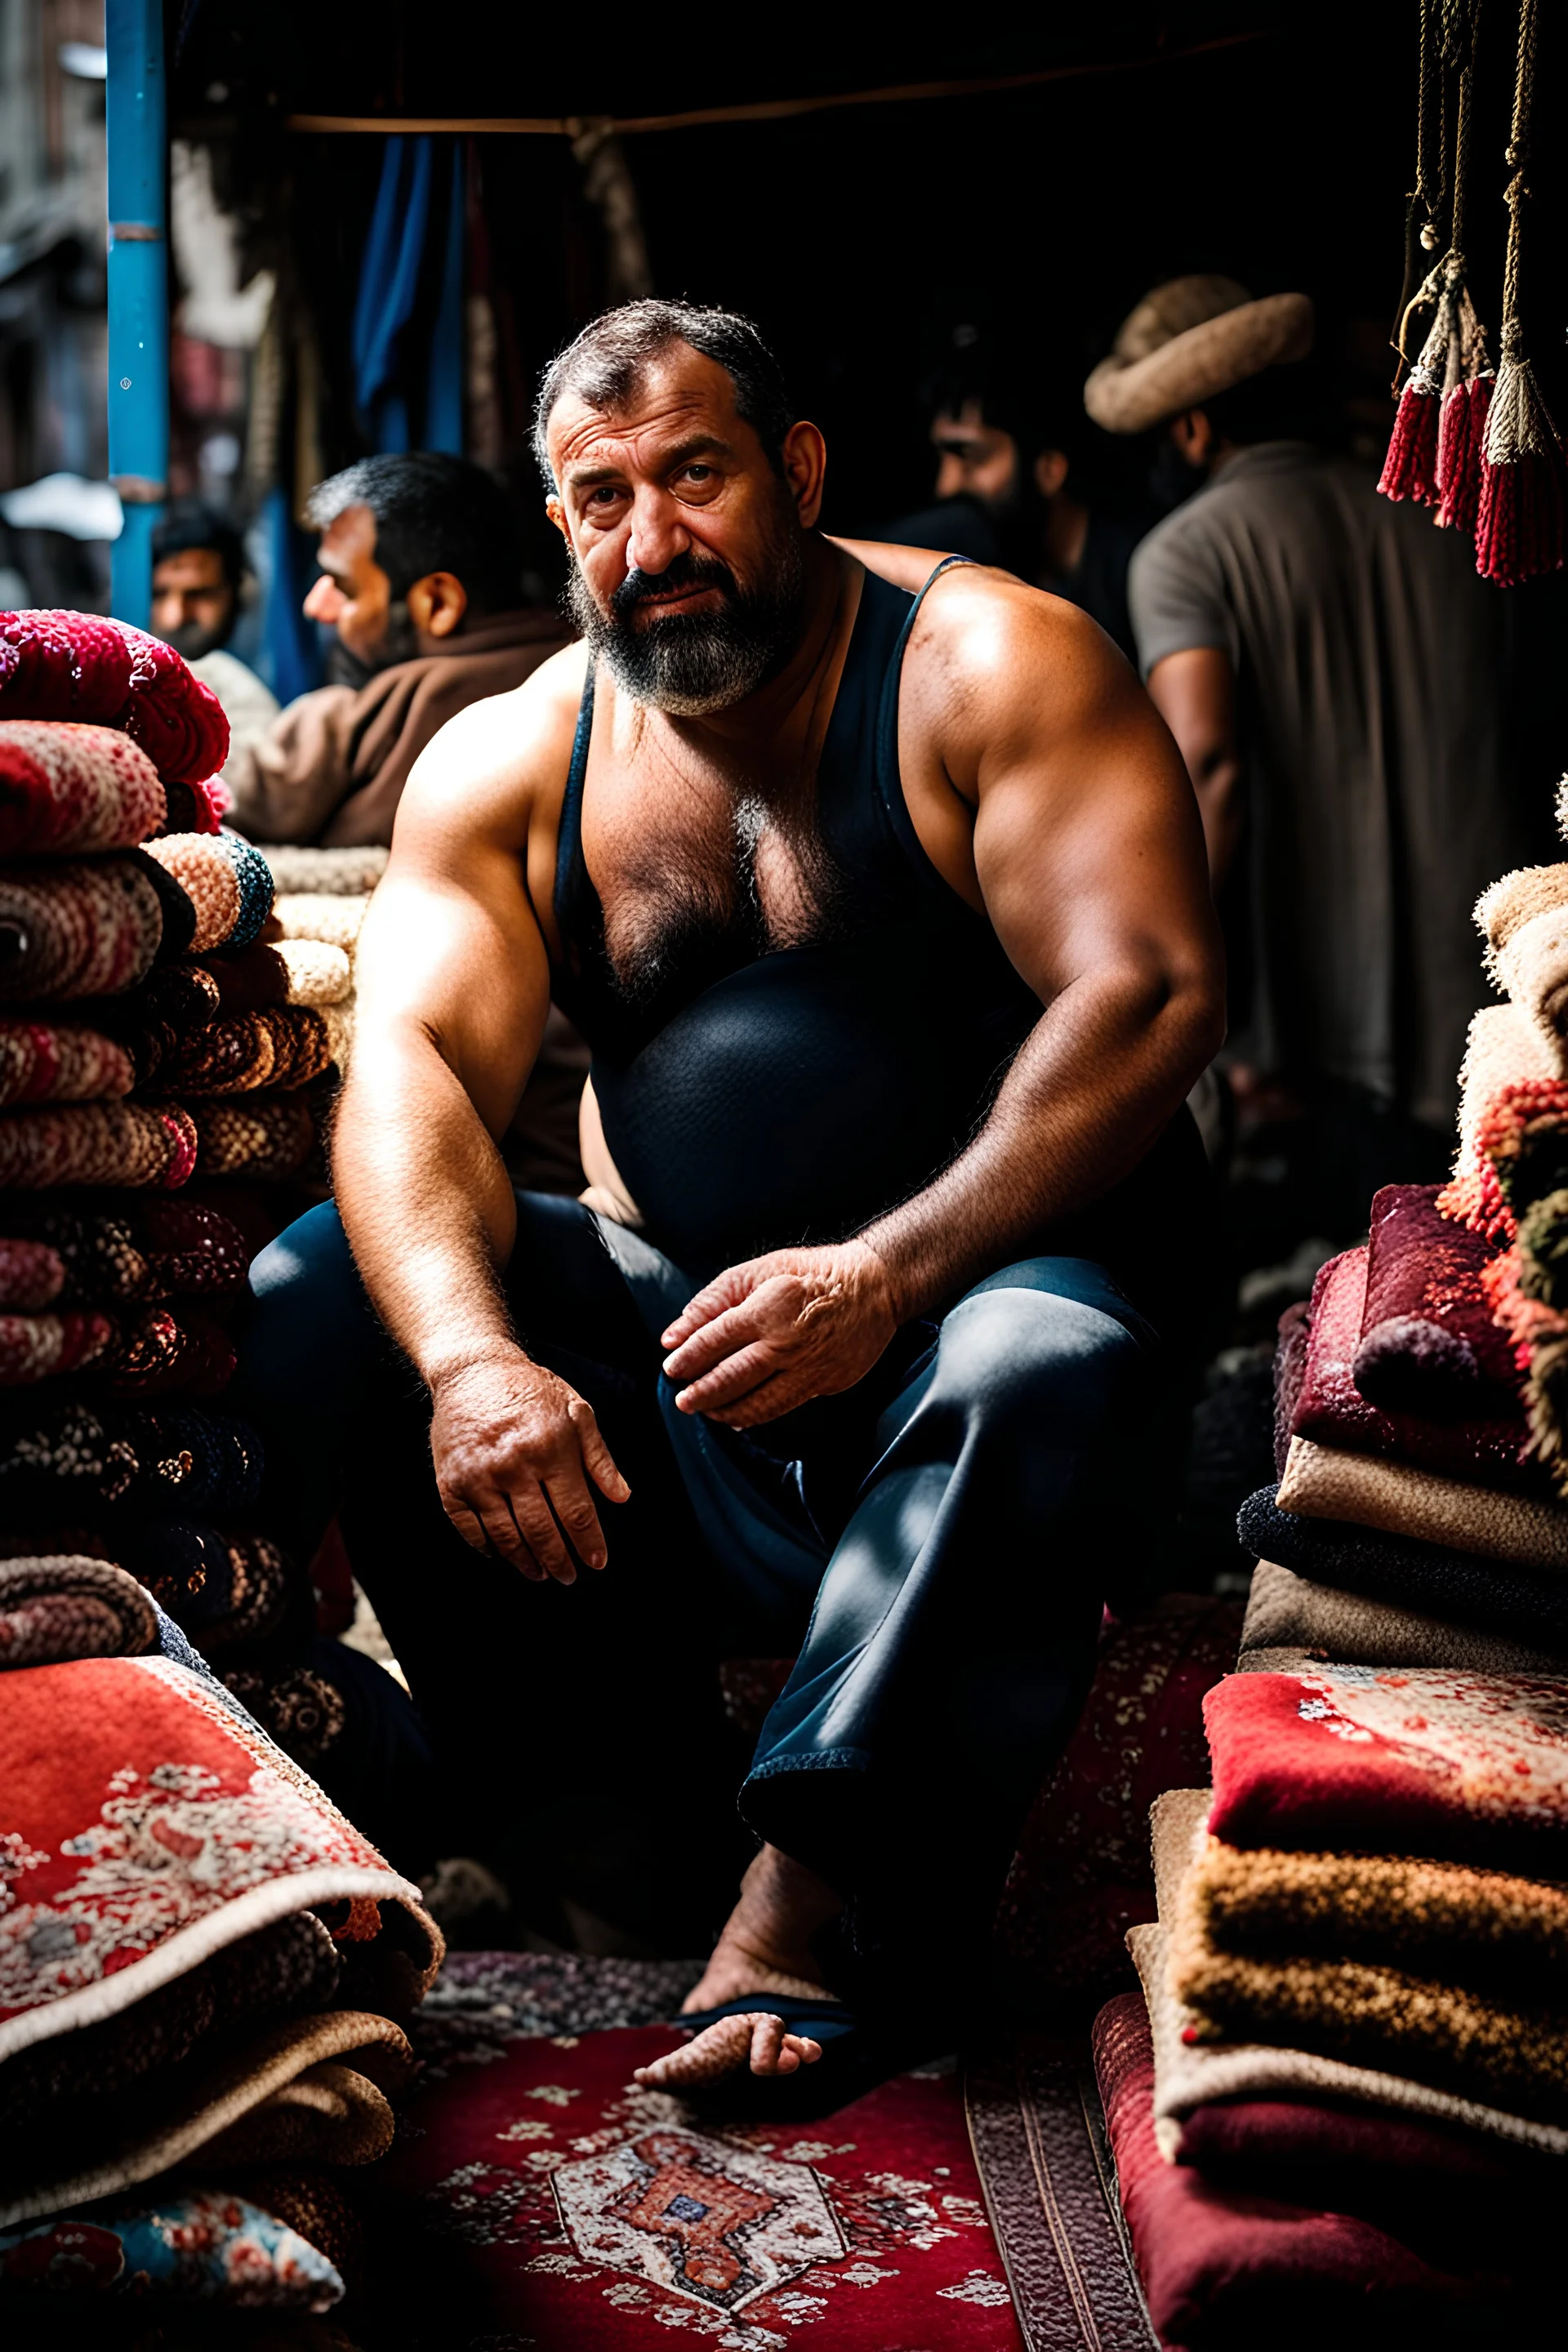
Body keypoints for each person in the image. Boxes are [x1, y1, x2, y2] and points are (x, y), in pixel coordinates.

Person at [240, 299, 1223, 2099]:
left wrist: (886, 1268)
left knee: (1026, 1354)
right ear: (558, 526)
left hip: (999, 1350)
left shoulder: (988, 663)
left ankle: (805, 1903)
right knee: (323, 1286)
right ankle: (469, 1822)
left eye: (696, 476)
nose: (654, 542)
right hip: (713, 1374)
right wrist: (470, 1360)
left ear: (798, 470)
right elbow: (416, 1075)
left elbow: (1148, 990)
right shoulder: (518, 754)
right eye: (601, 497)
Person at [1091, 274, 1549, 1217]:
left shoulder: (1184, 553)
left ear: (1191, 429)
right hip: (1491, 986)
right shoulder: (1442, 516)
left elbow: (1204, 768)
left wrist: (1160, 980)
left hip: (1323, 1033)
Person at [224, 451, 570, 846]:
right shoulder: (580, 665)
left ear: (437, 603)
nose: (315, 606)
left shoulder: (366, 718)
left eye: (343, 587)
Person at [884, 340, 1143, 657]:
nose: (946, 486)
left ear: (1049, 470)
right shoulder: (999, 572)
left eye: (972, 459)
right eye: (942, 460)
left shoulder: (1135, 573)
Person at [151, 498, 280, 784]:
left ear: (239, 593)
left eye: (198, 595)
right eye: (159, 594)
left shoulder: (246, 698)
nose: (175, 617)